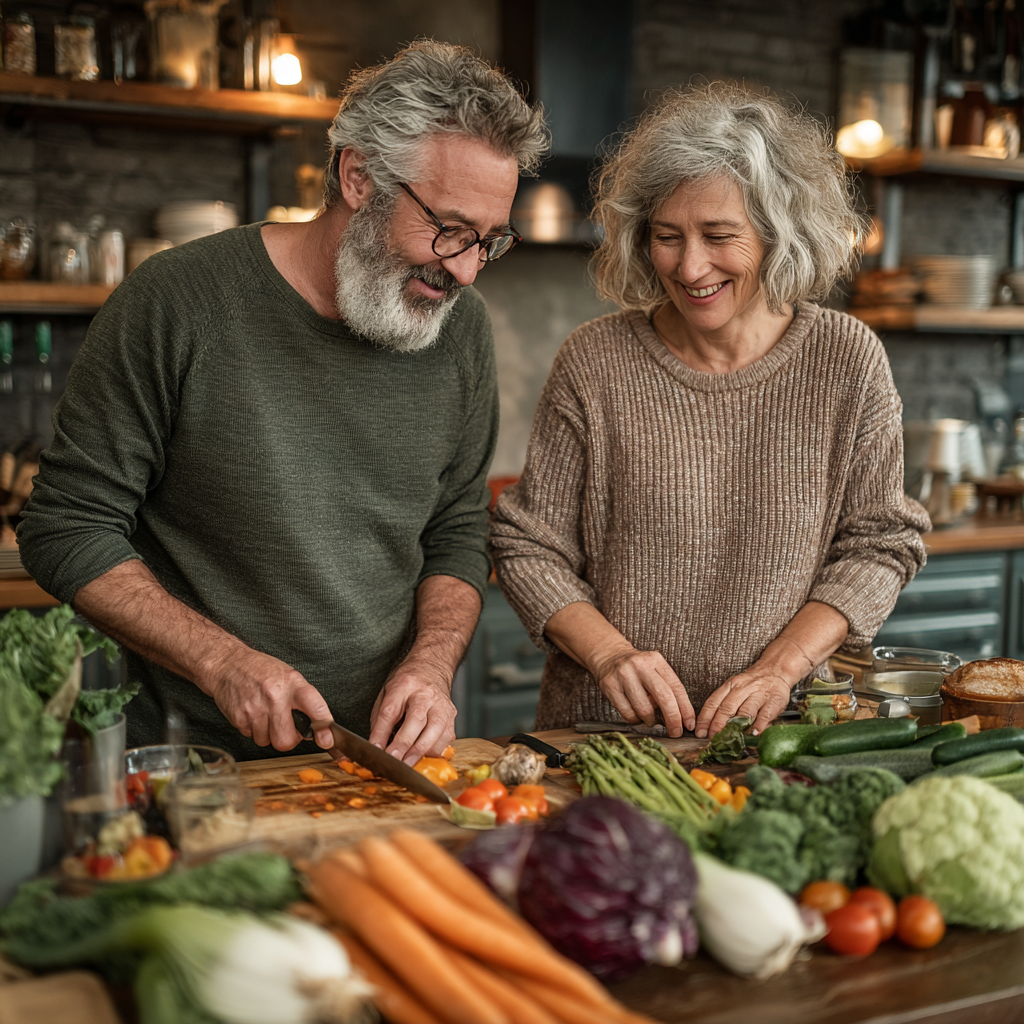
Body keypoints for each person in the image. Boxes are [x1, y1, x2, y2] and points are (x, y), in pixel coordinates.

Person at [18, 41, 548, 764]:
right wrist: (222, 661)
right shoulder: (177, 302)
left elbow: (454, 528)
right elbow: (65, 526)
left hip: (378, 764)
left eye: (489, 242)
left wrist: (431, 665)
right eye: (449, 229)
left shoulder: (463, 333)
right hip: (194, 768)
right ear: (359, 176)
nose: (464, 269)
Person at [489, 83, 929, 741]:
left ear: (779, 233)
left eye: (719, 236)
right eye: (667, 236)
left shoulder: (847, 361)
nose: (690, 266)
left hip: (778, 734)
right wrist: (608, 653)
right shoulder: (596, 361)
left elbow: (879, 545)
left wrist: (782, 668)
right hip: (605, 737)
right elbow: (528, 546)